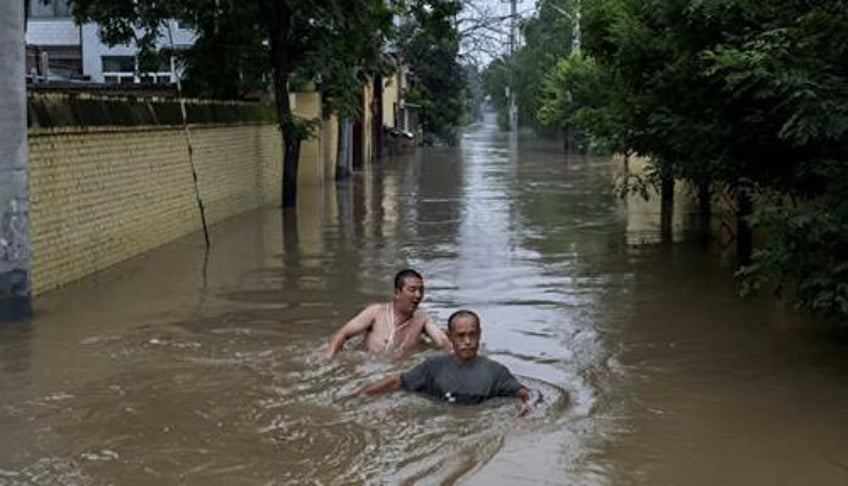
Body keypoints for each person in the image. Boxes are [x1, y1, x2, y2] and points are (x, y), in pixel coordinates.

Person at [358, 310, 541, 416]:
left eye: (472, 334)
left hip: (477, 425)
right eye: (461, 335)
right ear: (450, 337)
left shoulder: (495, 372)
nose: (468, 341)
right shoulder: (432, 367)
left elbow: (529, 393)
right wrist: (360, 394)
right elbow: (396, 381)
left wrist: (529, 404)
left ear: (480, 334)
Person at [325, 269, 452, 359]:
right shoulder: (375, 312)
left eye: (421, 290)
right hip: (367, 366)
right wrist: (328, 360)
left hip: (398, 370)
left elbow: (441, 341)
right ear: (397, 292)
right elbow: (342, 334)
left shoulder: (423, 319)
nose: (418, 295)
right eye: (412, 290)